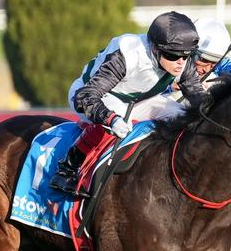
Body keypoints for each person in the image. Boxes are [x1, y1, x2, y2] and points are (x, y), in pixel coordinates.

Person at [50, 11, 205, 197]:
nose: (181, 63)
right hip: (92, 96)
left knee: (182, 116)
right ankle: (68, 168)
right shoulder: (127, 55)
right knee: (119, 120)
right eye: (173, 55)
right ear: (155, 48)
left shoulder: (182, 61)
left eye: (187, 56)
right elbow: (86, 96)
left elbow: (200, 101)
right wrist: (111, 119)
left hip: (137, 100)